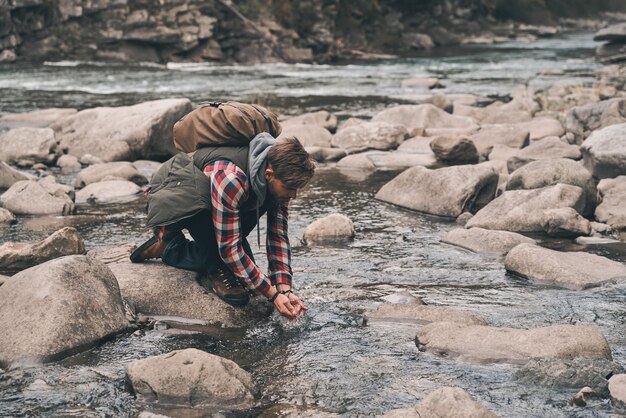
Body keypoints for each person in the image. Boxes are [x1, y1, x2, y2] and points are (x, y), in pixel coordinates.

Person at [130, 133, 316, 320]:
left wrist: (284, 289)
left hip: (221, 202)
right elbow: (229, 248)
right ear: (269, 175)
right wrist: (271, 293)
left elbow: (278, 238)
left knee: (252, 285)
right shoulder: (231, 179)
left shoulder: (281, 180)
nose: (294, 195)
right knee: (242, 287)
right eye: (291, 188)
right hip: (175, 192)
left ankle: (202, 254)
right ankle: (172, 247)